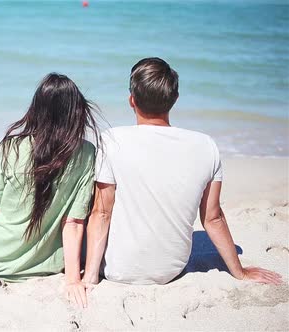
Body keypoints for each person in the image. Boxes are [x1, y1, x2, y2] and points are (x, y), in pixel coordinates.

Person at [81, 58, 282, 298]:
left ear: (131, 100)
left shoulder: (112, 140)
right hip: (172, 270)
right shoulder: (206, 145)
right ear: (174, 100)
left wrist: (90, 278)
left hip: (116, 269)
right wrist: (239, 272)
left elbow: (102, 213)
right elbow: (213, 218)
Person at [0, 73, 101, 306]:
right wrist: (73, 280)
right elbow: (72, 223)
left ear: (36, 109)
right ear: (76, 112)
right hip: (46, 265)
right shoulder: (85, 154)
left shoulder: (10, 147)